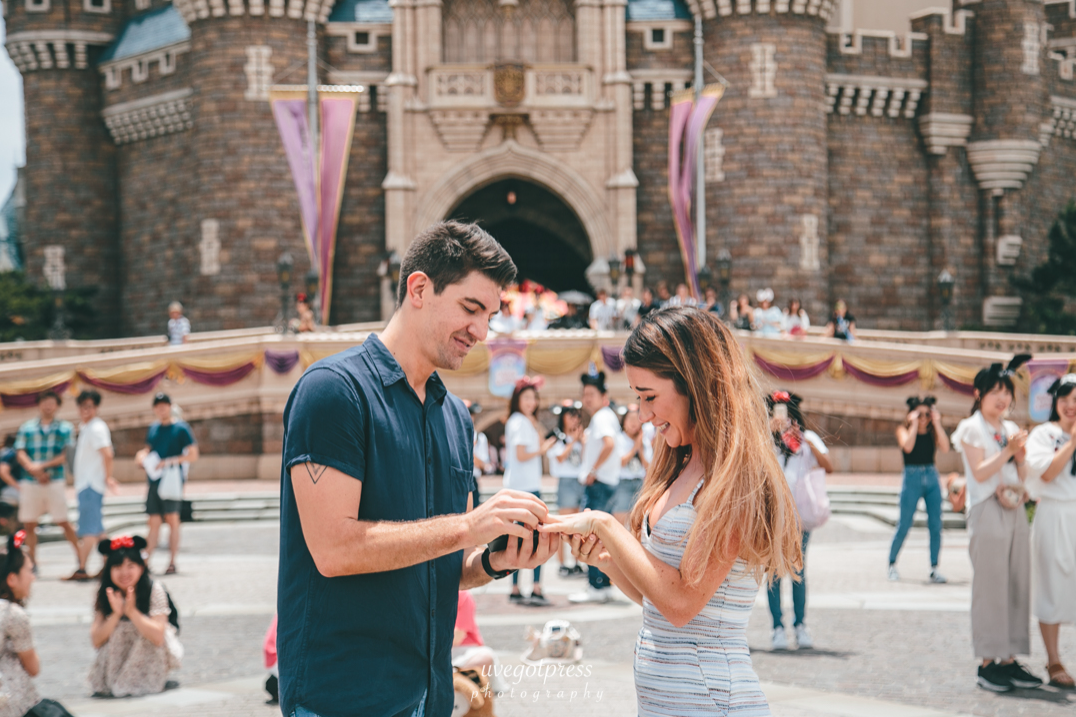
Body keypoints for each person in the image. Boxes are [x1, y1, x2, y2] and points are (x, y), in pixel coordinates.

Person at [276, 221, 558, 717]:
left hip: (430, 695)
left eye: (490, 315)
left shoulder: (454, 416)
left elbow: (446, 568)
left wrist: (496, 561)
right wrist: (470, 525)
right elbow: (333, 549)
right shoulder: (333, 392)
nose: (481, 331)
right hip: (341, 696)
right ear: (420, 288)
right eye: (471, 308)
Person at [540, 307, 801, 717]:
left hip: (714, 702)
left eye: (649, 397)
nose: (643, 415)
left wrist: (606, 526)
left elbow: (681, 605)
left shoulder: (734, 478)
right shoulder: (680, 463)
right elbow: (656, 598)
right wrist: (606, 561)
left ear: (693, 384)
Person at [951, 356, 1043, 693]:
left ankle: (1008, 658)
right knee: (990, 586)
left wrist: (1019, 458)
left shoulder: (1008, 429)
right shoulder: (971, 427)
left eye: (1007, 393)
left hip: (1015, 507)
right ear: (979, 393)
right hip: (987, 509)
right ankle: (987, 663)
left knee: (1016, 582)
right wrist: (1009, 453)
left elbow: (1022, 475)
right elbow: (979, 473)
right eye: (995, 392)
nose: (1002, 399)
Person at [766, 390, 832, 650]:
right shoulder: (767, 438)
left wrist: (803, 439)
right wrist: (767, 433)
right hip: (773, 515)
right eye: (776, 411)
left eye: (786, 412)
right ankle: (777, 628)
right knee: (773, 573)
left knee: (798, 572)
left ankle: (800, 625)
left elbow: (829, 464)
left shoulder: (807, 439)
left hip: (800, 516)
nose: (782, 417)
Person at [1024, 373, 1076, 688]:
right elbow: (1046, 473)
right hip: (1054, 512)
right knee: (1051, 584)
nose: (1071, 405)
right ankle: (1053, 658)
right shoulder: (1044, 434)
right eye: (1066, 399)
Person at [89, 535, 182, 697]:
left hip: (148, 653)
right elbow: (96, 640)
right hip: (115, 657)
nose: (124, 572)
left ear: (141, 567)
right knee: (118, 630)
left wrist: (132, 612)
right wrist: (116, 615)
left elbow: (158, 636)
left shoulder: (154, 589)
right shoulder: (106, 593)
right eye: (118, 567)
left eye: (131, 566)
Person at [568, 371, 622, 604]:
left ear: (603, 396)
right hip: (607, 484)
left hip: (598, 485)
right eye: (584, 394)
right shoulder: (606, 416)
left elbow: (608, 444)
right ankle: (604, 584)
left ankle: (594, 585)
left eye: (591, 394)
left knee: (590, 535)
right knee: (602, 537)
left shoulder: (601, 417)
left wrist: (592, 470)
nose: (586, 398)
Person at [502, 377, 557, 606]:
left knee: (525, 537)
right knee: (531, 537)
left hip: (525, 486)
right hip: (523, 488)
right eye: (526, 397)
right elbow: (522, 454)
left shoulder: (523, 420)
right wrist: (542, 449)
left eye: (533, 398)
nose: (530, 402)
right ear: (517, 400)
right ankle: (528, 587)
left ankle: (523, 587)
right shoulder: (518, 421)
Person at [888, 396, 950, 584]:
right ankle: (891, 564)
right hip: (912, 478)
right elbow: (908, 447)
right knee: (904, 523)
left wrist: (937, 423)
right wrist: (913, 425)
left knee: (935, 525)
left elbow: (946, 448)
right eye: (919, 414)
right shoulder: (903, 430)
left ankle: (934, 568)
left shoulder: (933, 432)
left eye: (927, 414)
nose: (923, 418)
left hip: (931, 476)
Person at [14, 390, 79, 569]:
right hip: (30, 481)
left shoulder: (66, 428)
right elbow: (20, 452)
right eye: (45, 402)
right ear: (39, 404)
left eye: (51, 402)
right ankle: (32, 562)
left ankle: (81, 558)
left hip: (54, 479)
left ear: (57, 405)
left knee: (63, 520)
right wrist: (33, 470)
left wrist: (41, 467)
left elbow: (67, 453)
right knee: (29, 523)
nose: (48, 406)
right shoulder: (27, 427)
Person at [134, 393, 198, 575]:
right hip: (154, 480)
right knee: (153, 521)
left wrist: (169, 461)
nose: (161, 409)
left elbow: (193, 455)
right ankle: (146, 560)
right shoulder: (153, 428)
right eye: (158, 406)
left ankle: (172, 562)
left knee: (172, 519)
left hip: (171, 480)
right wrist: (141, 456)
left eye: (164, 405)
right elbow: (148, 449)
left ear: (170, 407)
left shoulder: (181, 428)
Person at [68, 390, 118, 582]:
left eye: (89, 406)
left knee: (88, 530)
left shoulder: (97, 428)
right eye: (82, 406)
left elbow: (107, 454)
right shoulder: (86, 426)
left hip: (91, 485)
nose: (85, 410)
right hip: (87, 485)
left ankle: (81, 568)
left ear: (96, 408)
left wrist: (108, 477)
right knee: (98, 531)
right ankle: (109, 564)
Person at [0, 530, 41, 717]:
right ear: (12, 579)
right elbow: (33, 668)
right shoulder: (13, 614)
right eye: (30, 571)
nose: (33, 577)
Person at [548, 404, 585, 577]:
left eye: (577, 416)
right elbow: (560, 457)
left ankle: (577, 562)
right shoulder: (558, 436)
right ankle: (562, 564)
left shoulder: (580, 437)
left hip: (580, 480)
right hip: (566, 482)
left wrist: (582, 442)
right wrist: (574, 441)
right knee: (563, 525)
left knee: (579, 525)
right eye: (571, 415)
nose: (574, 419)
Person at [613, 408, 652, 524]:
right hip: (622, 483)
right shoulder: (619, 439)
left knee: (638, 523)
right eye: (630, 419)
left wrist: (640, 449)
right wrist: (635, 447)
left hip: (640, 483)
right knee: (619, 521)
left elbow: (648, 466)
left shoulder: (645, 441)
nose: (633, 422)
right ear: (624, 422)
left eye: (636, 419)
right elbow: (620, 463)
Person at [0, 434, 22, 506]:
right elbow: (3, 472)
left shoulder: (3, 451)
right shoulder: (11, 452)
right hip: (6, 490)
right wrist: (18, 487)